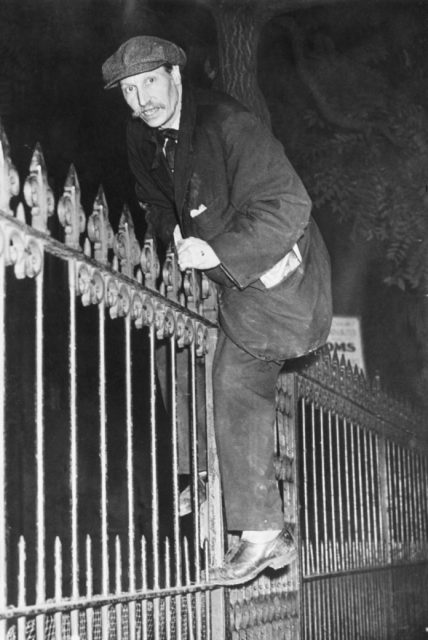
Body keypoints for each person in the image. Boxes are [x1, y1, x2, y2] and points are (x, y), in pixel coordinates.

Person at [102, 36, 332, 586]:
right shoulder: (142, 134)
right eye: (130, 91)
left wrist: (220, 252)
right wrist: (175, 234)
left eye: (150, 83)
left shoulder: (229, 125)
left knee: (235, 377)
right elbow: (154, 200)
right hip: (215, 275)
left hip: (280, 273)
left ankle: (263, 534)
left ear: (176, 77)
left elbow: (289, 205)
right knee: (174, 352)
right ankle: (205, 473)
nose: (142, 100)